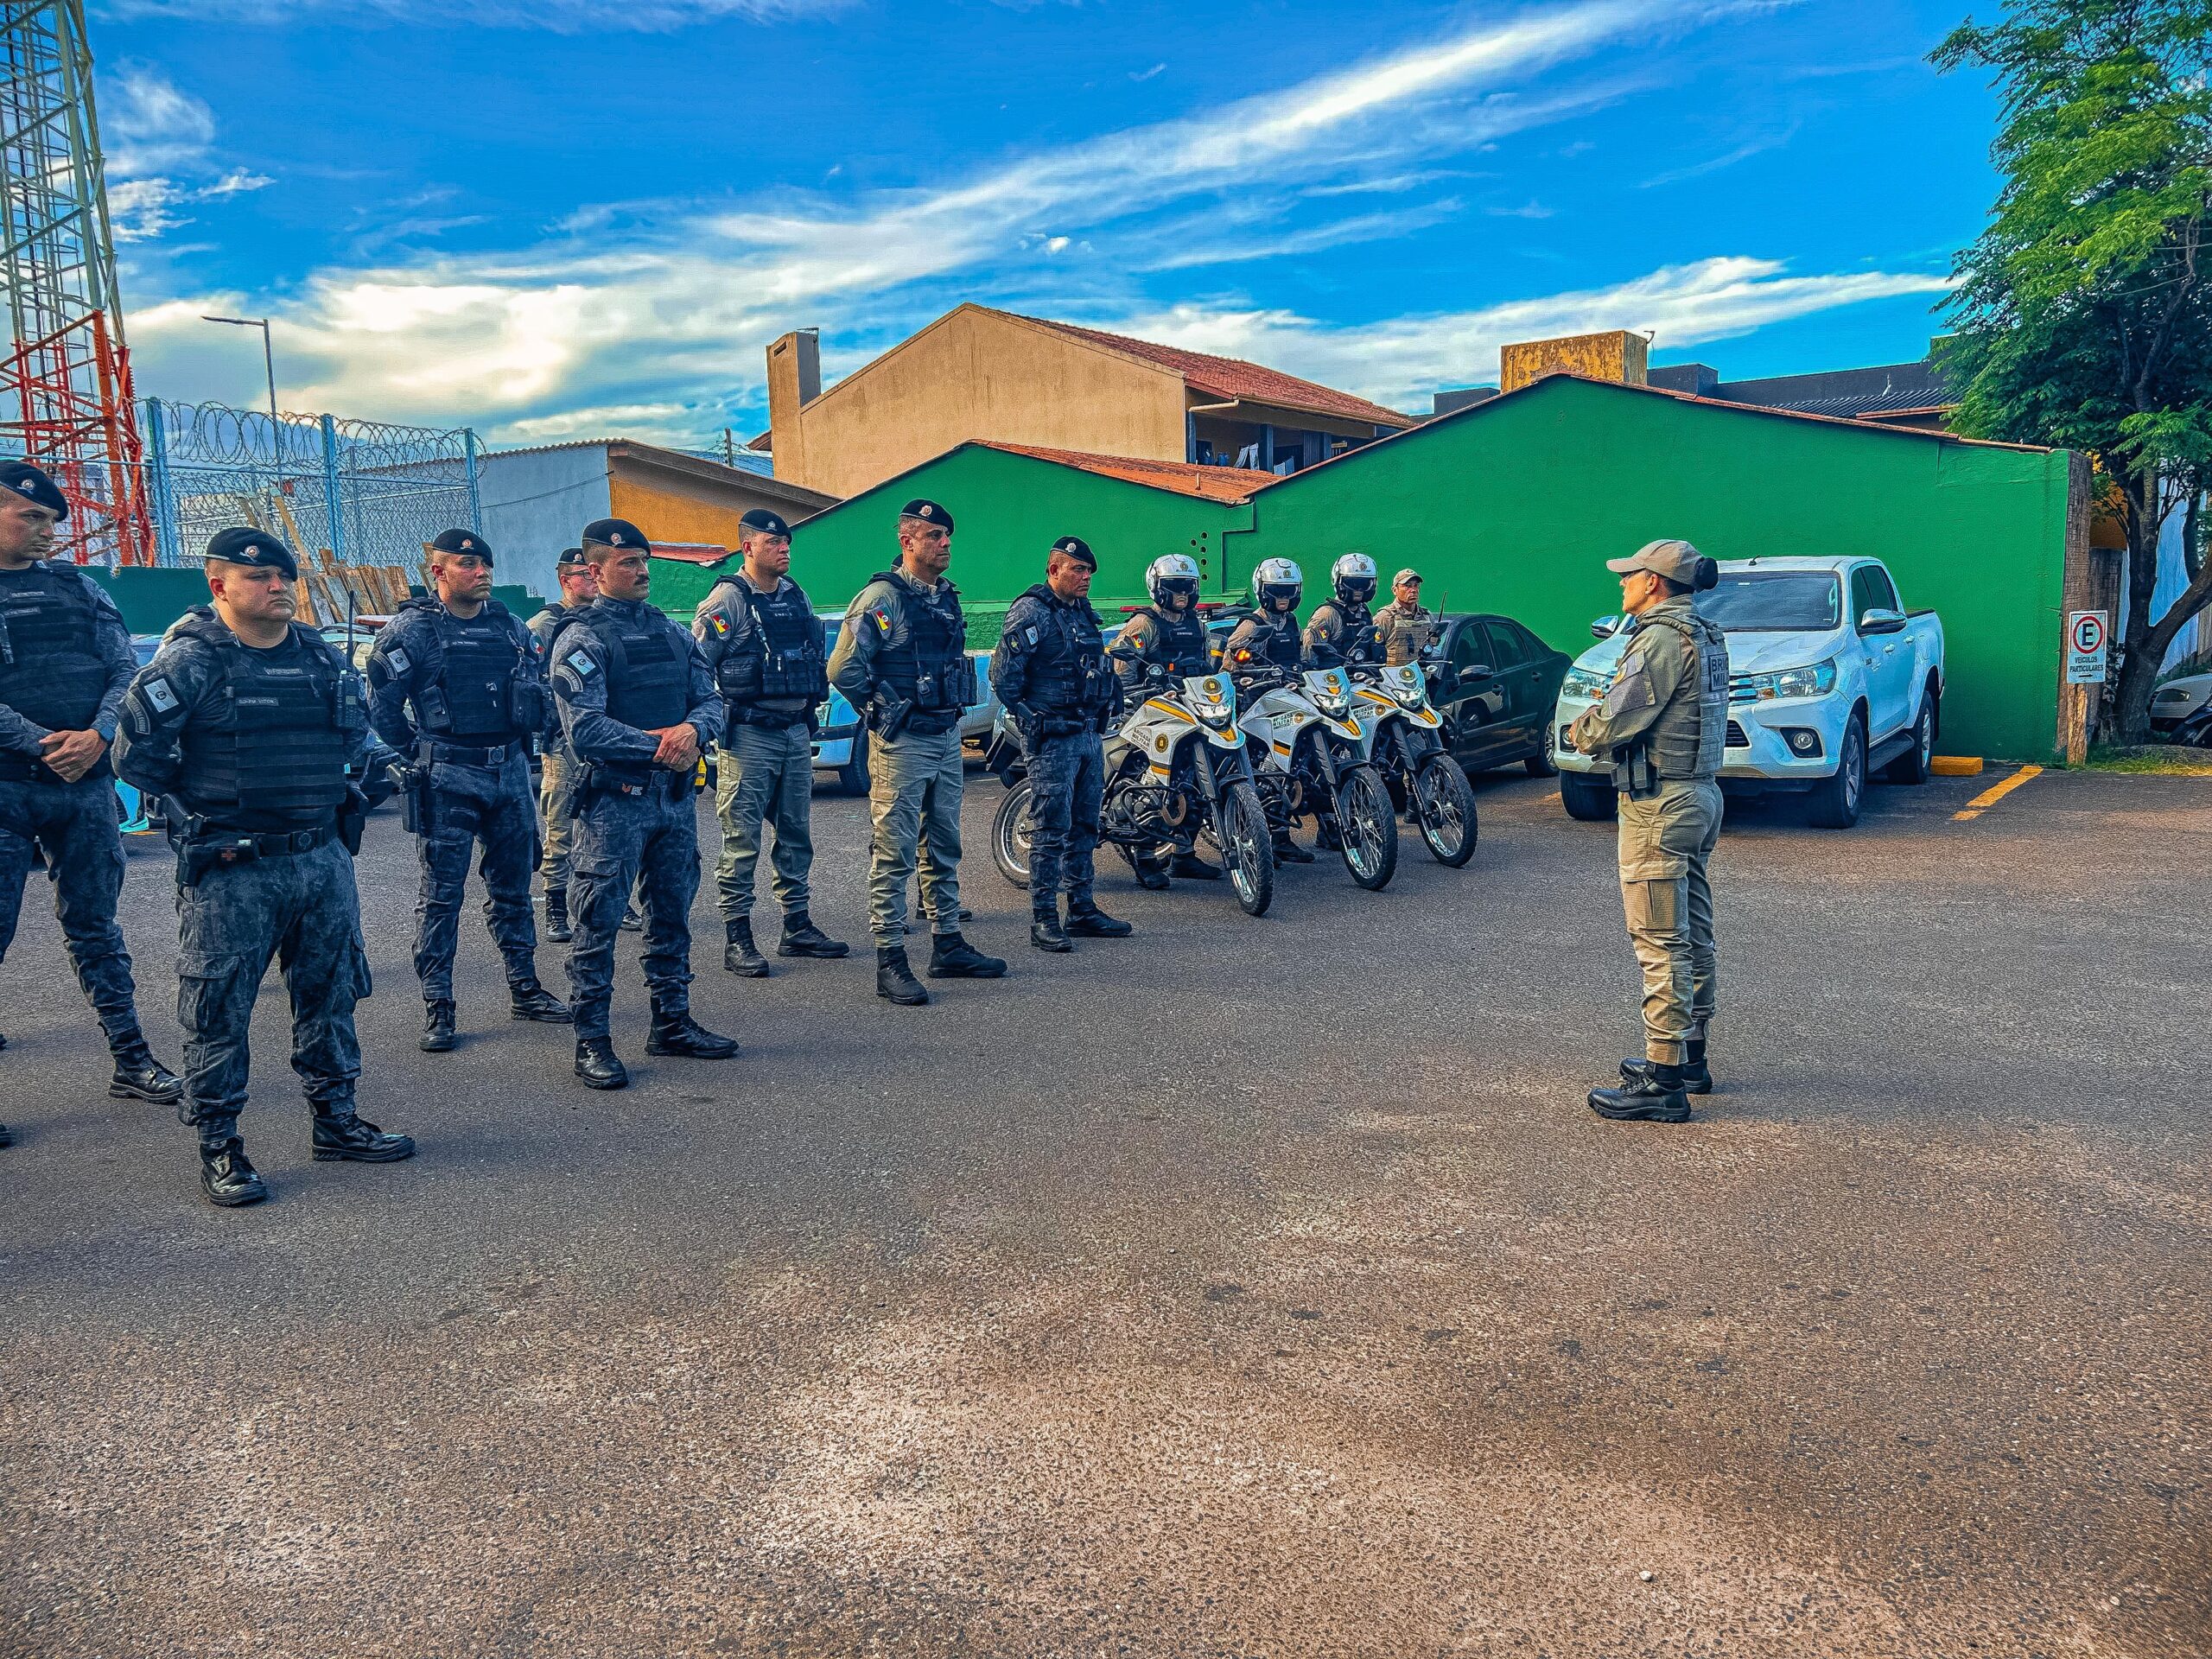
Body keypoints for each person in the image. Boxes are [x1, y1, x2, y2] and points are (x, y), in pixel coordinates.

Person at [113, 528, 411, 1207]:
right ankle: (220, 1144)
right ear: (219, 585)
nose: (278, 586)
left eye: (284, 576)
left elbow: (353, 732)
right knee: (218, 1008)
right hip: (232, 867)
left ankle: (335, 1122)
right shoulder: (188, 663)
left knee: (332, 996)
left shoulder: (317, 656)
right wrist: (215, 802)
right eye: (259, 578)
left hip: (320, 858)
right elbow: (137, 760)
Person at [0, 461, 181, 1149]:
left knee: (96, 927)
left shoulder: (77, 586)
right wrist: (47, 743)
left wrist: (101, 734)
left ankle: (131, 1060)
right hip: (8, 785)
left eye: (53, 521)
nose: (49, 532)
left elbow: (123, 670)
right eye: (32, 518)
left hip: (83, 788)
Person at [549, 518, 737, 1090]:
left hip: (674, 804)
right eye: (628, 562)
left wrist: (694, 731)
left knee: (672, 917)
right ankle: (593, 1040)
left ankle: (672, 1022)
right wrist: (666, 744)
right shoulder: (580, 639)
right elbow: (585, 729)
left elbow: (714, 702)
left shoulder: (673, 633)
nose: (642, 570)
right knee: (597, 923)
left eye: (644, 560)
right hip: (614, 806)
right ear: (595, 570)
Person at [367, 528, 569, 1052]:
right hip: (447, 779)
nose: (481, 573)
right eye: (467, 565)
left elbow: (540, 692)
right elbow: (382, 709)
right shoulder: (411, 632)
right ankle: (440, 1005)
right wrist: (419, 756)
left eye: (485, 565)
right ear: (439, 572)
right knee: (441, 897)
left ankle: (525, 989)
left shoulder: (511, 630)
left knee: (513, 890)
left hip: (508, 776)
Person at [1568, 538, 1728, 1123]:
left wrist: (1580, 729)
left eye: (1629, 574)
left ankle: (1664, 1082)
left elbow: (1614, 718)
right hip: (1700, 793)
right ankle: (1689, 1058)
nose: (1622, 583)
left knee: (1660, 940)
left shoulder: (1660, 639)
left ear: (1654, 582)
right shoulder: (1705, 634)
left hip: (1659, 804)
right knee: (1694, 935)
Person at [826, 499, 1006, 1005]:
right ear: (907, 541)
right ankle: (890, 958)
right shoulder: (883, 598)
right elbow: (843, 668)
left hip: (946, 735)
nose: (945, 543)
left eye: (947, 536)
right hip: (904, 742)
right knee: (895, 850)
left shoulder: (944, 597)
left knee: (944, 841)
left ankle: (947, 943)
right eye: (933, 536)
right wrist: (884, 711)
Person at [693, 508, 847, 977]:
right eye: (774, 543)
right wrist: (710, 723)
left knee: (796, 834)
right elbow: (698, 666)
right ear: (748, 547)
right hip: (750, 736)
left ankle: (796, 926)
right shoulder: (728, 601)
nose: (784, 550)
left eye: (787, 543)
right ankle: (738, 936)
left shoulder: (795, 595)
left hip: (795, 731)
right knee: (742, 840)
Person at [991, 535, 1132, 951]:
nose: (1085, 577)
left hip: (1089, 734)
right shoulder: (1032, 610)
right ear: (1054, 570)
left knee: (1086, 825)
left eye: (1088, 571)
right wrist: (1032, 715)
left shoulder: (1083, 613)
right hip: (1053, 739)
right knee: (1051, 827)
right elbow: (1004, 677)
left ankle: (1082, 908)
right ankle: (1043, 918)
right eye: (1077, 570)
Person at [1113, 552, 1221, 889]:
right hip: (1148, 715)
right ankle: (1145, 858)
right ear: (1158, 588)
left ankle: (1184, 855)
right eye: (1175, 587)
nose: (1182, 594)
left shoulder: (1197, 625)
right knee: (1154, 787)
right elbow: (1122, 673)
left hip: (1190, 714)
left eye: (1187, 587)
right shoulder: (1144, 624)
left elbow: (1207, 669)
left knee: (1198, 784)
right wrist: (1140, 696)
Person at [1219, 557, 1313, 864]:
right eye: (1276, 590)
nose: (1283, 596)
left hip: (1289, 704)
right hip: (1256, 709)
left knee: (1293, 767)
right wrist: (1248, 672)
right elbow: (1229, 667)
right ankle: (1253, 840)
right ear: (1263, 591)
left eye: (1288, 589)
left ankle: (1282, 838)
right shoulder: (1252, 624)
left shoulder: (1292, 622)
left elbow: (1301, 658)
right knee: (1262, 773)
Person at [529, 546, 596, 944]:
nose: (590, 580)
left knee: (609, 823)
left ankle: (612, 902)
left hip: (601, 738)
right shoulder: (545, 624)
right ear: (564, 580)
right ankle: (556, 905)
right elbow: (529, 679)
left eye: (592, 572)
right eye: (581, 575)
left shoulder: (604, 618)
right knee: (561, 826)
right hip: (562, 743)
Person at [1301, 553, 1383, 667]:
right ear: (1338, 581)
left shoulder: (1364, 611)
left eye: (1364, 584)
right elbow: (1310, 652)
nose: (1359, 589)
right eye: (1353, 583)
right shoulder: (1328, 614)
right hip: (1334, 679)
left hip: (1362, 676)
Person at [1375, 568, 1439, 667]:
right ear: (1395, 590)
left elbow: (1432, 647)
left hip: (1422, 676)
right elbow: (1374, 650)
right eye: (1407, 586)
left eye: (1416, 585)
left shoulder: (1426, 616)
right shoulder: (1385, 617)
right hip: (1393, 678)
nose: (1413, 590)